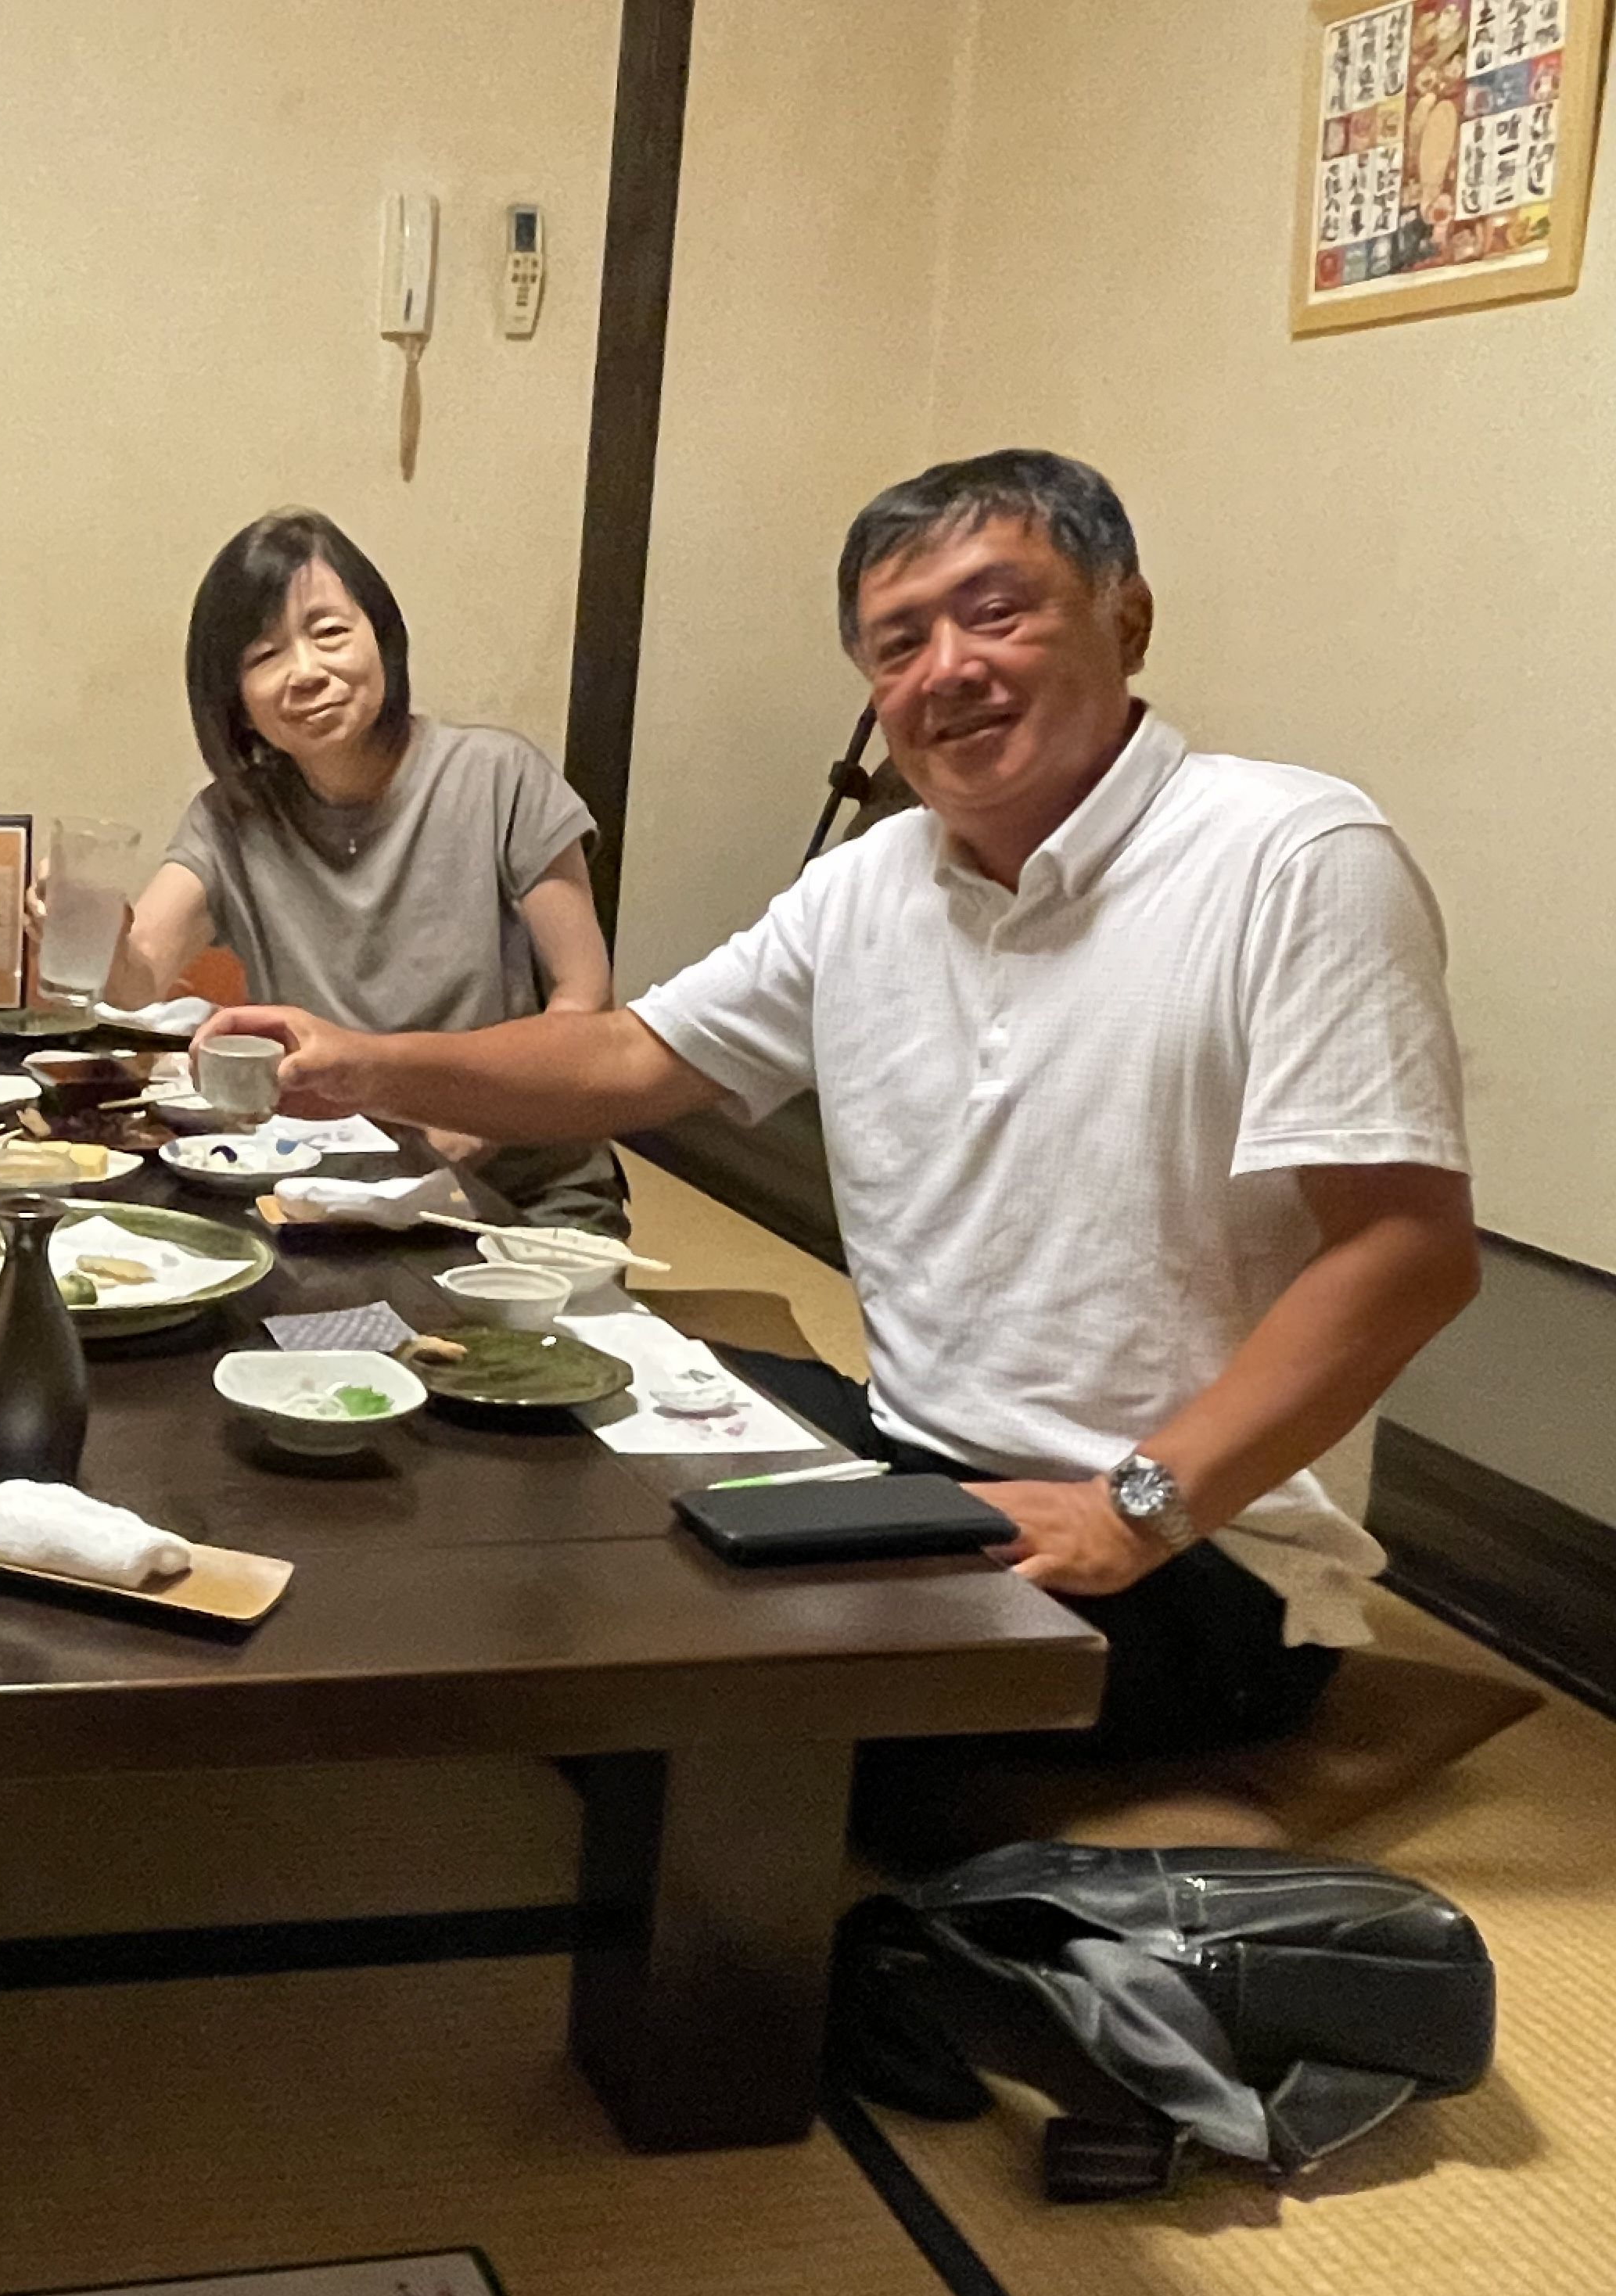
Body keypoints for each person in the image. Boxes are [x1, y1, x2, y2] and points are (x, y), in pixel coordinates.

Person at [200, 450, 1479, 1785]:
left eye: (996, 612)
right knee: (518, 1413)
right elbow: (631, 1057)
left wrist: (1132, 1509)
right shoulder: (872, 879)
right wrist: (363, 1065)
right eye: (899, 642)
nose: (947, 668)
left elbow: (1407, 1251)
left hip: (1194, 1548)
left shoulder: (1290, 855)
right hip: (914, 1457)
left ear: (1128, 616)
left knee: (661, 1669)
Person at [91, 508, 624, 1231]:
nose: (306, 673)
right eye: (264, 655)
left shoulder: (499, 778)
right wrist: (87, 932)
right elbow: (137, 979)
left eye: (330, 633)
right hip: (328, 1193)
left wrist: (473, 1124)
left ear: (381, 635)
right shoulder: (233, 818)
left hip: (526, 1198)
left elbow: (586, 1006)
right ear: (235, 700)